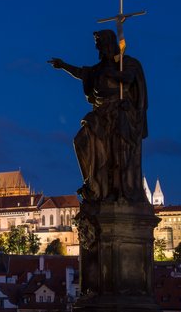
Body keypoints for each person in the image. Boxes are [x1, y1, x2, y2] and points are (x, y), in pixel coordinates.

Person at [49, 29, 148, 203]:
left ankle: (119, 190)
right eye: (96, 46)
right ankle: (93, 185)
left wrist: (113, 72)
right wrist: (63, 65)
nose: (97, 49)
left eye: (99, 45)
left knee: (118, 152)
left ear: (107, 45)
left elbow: (129, 78)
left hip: (119, 111)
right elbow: (82, 73)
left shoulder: (126, 62)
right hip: (100, 112)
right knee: (80, 141)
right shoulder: (98, 68)